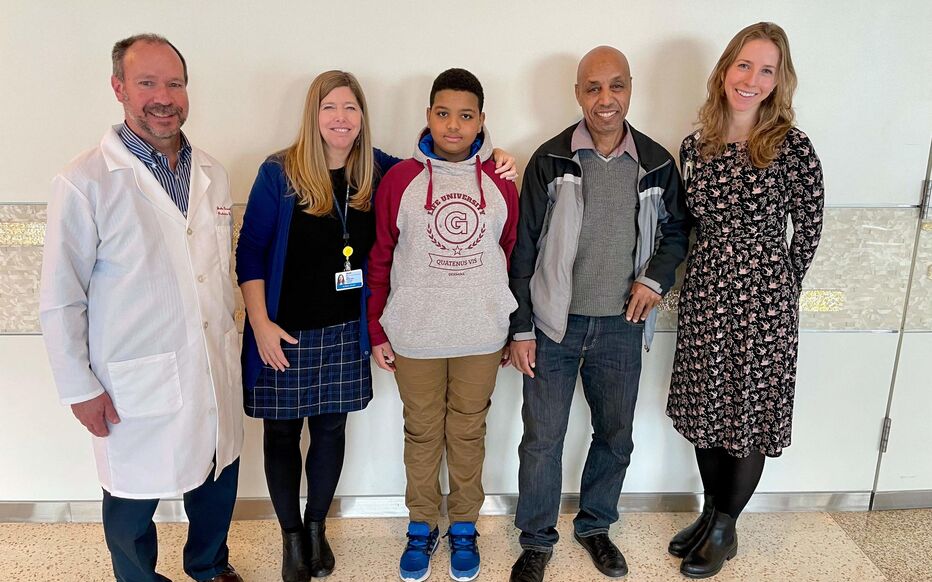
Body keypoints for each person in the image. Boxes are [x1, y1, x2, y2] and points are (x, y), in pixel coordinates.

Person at [235, 70, 517, 582]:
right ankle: (294, 538)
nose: (340, 119)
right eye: (329, 108)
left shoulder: (378, 172)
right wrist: (259, 323)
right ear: (313, 115)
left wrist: (498, 158)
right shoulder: (280, 173)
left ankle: (320, 528)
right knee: (281, 435)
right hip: (285, 330)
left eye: (350, 109)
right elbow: (251, 251)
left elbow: (494, 229)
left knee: (330, 433)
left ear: (363, 117)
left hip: (345, 331)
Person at [39, 34, 243, 582]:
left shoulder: (212, 173)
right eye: (147, 82)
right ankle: (137, 577)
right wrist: (79, 388)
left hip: (209, 363)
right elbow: (60, 297)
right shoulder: (85, 181)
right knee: (131, 500)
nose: (163, 96)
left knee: (217, 474)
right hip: (132, 377)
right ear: (119, 89)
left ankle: (209, 565)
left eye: (173, 83)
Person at [507, 47, 690, 582]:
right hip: (552, 327)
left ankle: (594, 527)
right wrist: (521, 327)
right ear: (578, 92)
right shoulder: (551, 160)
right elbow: (524, 248)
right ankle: (536, 541)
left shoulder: (656, 161)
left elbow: (677, 233)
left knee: (616, 435)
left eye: (615, 86)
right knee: (541, 439)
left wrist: (652, 280)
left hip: (620, 327)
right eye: (592, 87)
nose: (605, 99)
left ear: (630, 88)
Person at [665, 22, 824, 579]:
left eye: (766, 70)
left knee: (747, 417)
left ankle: (727, 528)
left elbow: (808, 229)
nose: (752, 79)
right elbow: (685, 222)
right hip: (706, 296)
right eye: (744, 65)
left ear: (779, 81)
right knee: (707, 411)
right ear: (725, 70)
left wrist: (780, 289)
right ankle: (711, 513)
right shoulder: (696, 145)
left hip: (763, 307)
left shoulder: (791, 147)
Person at [367, 68, 519, 582]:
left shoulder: (501, 182)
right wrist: (377, 329)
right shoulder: (399, 181)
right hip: (415, 335)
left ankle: (464, 527)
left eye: (466, 115)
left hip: (479, 334)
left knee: (469, 432)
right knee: (423, 433)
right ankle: (420, 525)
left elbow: (510, 250)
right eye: (443, 113)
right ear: (428, 115)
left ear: (481, 121)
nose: (453, 126)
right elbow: (382, 257)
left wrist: (502, 316)